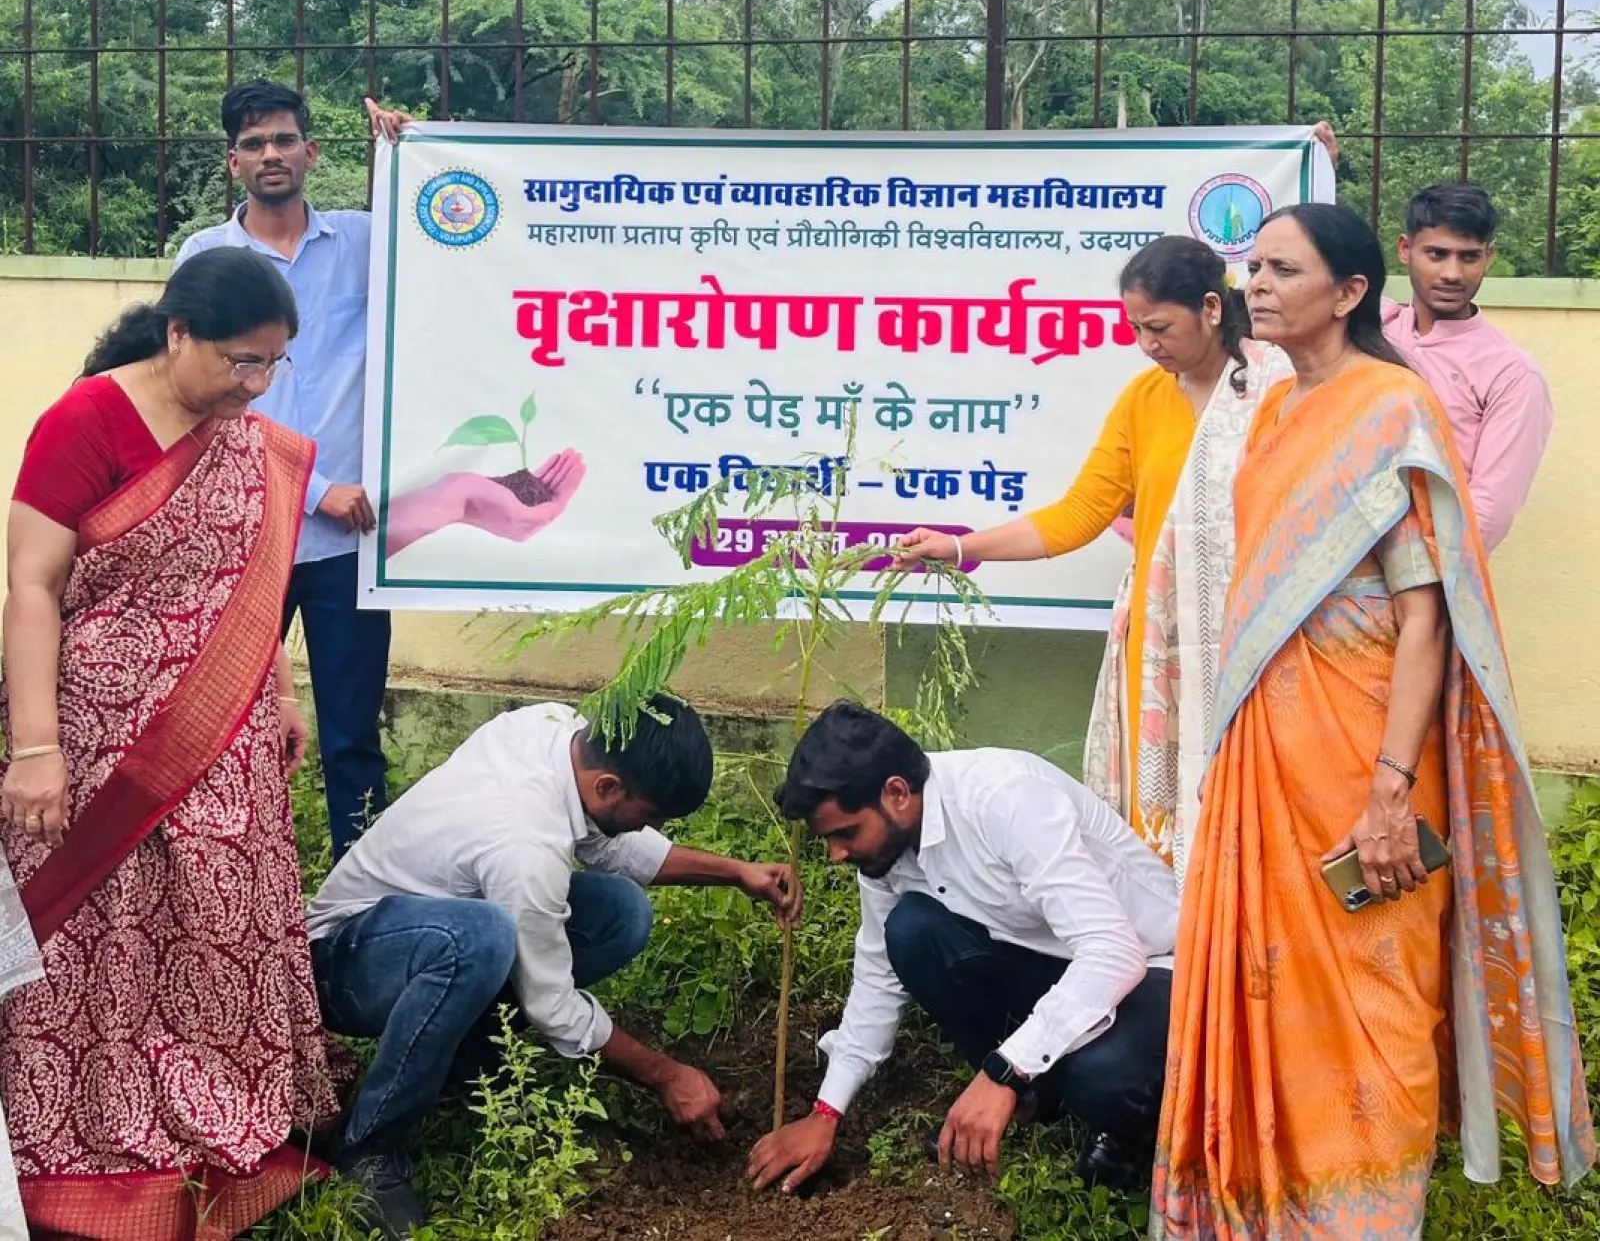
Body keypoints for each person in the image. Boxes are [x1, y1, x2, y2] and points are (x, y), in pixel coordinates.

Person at [1151, 203, 1594, 1239]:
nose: (1256, 286)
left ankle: (1362, 1220)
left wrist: (1392, 790)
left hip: (1365, 764)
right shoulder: (1267, 417)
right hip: (1268, 759)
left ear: (1350, 292)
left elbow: (1424, 617)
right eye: (1251, 266)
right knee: (1267, 989)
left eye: (1282, 269)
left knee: (1378, 1002)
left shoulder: (1392, 409)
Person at [0, 246, 341, 1237]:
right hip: (93, 744)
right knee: (99, 942)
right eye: (239, 361)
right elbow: (31, 588)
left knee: (214, 929)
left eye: (272, 365)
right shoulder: (87, 420)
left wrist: (276, 688)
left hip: (219, 744)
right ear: (178, 332)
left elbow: (249, 578)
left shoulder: (251, 441)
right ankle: (87, 1150)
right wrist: (34, 749)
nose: (255, 384)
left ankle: (214, 1135)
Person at [304, 696, 801, 1237]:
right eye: (652, 815)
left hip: (431, 930)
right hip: (347, 960)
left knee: (620, 912)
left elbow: (618, 849)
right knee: (482, 939)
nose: (651, 826)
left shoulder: (558, 731)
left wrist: (736, 872)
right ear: (610, 786)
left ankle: (461, 1058)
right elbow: (552, 1005)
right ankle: (369, 1145)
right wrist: (666, 1075)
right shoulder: (525, 842)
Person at [897, 237, 1292, 878]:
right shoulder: (1144, 400)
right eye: (1136, 328)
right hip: (1161, 642)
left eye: (1159, 327)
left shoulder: (1274, 388)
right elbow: (1080, 513)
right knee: (1162, 827)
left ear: (1213, 308)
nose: (1146, 344)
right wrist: (961, 548)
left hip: (1251, 632)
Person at [747, 702, 1178, 1197]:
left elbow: (1111, 952)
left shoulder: (1005, 798)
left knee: (1104, 1078)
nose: (837, 854)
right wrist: (826, 1112)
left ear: (896, 792)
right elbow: (877, 976)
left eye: (846, 833)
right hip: (1044, 956)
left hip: (1151, 966)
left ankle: (1125, 1132)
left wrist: (1000, 1071)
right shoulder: (885, 853)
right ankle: (1032, 1095)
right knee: (911, 931)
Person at [173, 80, 412, 859]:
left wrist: (409, 155)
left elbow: (441, 248)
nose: (270, 154)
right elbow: (195, 397)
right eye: (253, 143)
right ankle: (242, 893)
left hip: (349, 549)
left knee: (352, 738)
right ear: (232, 162)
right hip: (247, 535)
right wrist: (314, 489)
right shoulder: (204, 260)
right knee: (228, 732)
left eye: (283, 139)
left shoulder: (362, 240)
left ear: (311, 150)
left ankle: (361, 906)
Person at [1383, 181, 1553, 552]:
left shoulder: (1510, 373)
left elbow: (1489, 511)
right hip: (1337, 570)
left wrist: (1421, 587)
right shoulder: (1378, 329)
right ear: (1405, 249)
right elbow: (1315, 271)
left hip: (1433, 577)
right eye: (1437, 254)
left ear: (1488, 256)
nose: (1452, 273)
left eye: (1469, 257)